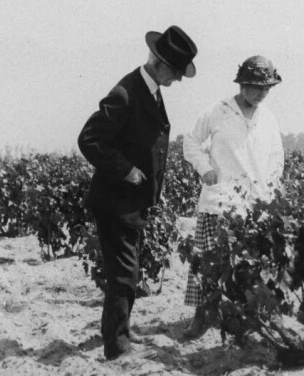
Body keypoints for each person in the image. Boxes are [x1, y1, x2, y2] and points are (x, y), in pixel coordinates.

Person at [77, 25, 197, 361]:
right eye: (175, 72)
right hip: (115, 202)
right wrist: (127, 170)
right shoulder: (126, 93)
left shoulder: (151, 91)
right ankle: (116, 346)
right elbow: (89, 139)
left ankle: (122, 332)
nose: (178, 79)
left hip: (132, 203)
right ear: (160, 64)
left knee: (126, 273)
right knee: (123, 276)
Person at [181, 55, 285, 340]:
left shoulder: (268, 118)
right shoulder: (218, 112)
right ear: (242, 84)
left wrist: (271, 190)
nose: (262, 94)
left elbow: (277, 158)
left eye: (267, 88)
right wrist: (204, 169)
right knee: (208, 266)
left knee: (247, 268)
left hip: (253, 206)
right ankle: (201, 318)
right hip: (218, 202)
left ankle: (243, 320)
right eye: (256, 87)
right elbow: (190, 141)